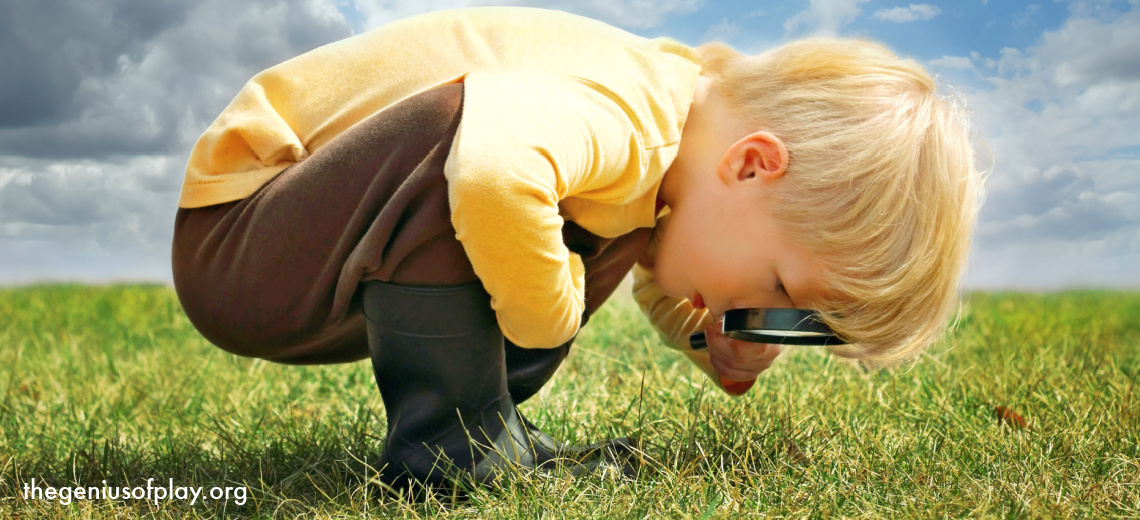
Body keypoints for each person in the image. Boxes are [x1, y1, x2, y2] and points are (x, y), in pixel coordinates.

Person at [171, 6, 983, 493]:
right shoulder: (631, 115)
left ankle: (487, 428)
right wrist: (548, 318)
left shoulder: (676, 143)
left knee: (593, 227)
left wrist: (717, 338)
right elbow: (489, 174)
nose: (764, 314)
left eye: (787, 321)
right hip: (245, 233)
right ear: (752, 164)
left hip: (315, 241)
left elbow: (663, 253)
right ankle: (455, 452)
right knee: (475, 154)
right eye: (777, 286)